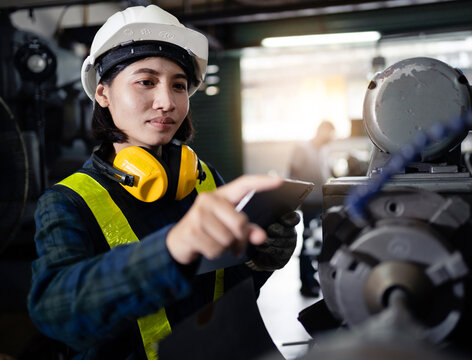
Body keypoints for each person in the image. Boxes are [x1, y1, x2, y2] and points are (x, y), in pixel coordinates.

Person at [26, 5, 299, 360]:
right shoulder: (67, 201)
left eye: (179, 85)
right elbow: (56, 313)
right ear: (103, 93)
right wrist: (171, 249)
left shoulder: (203, 179)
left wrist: (258, 261)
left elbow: (222, 292)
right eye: (146, 81)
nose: (166, 102)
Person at [288, 120, 335, 297]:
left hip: (323, 201)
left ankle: (314, 278)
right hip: (309, 203)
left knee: (319, 241)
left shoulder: (324, 150)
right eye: (330, 133)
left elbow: (327, 173)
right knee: (308, 242)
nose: (332, 138)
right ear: (322, 130)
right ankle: (305, 282)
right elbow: (293, 173)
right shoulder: (302, 148)